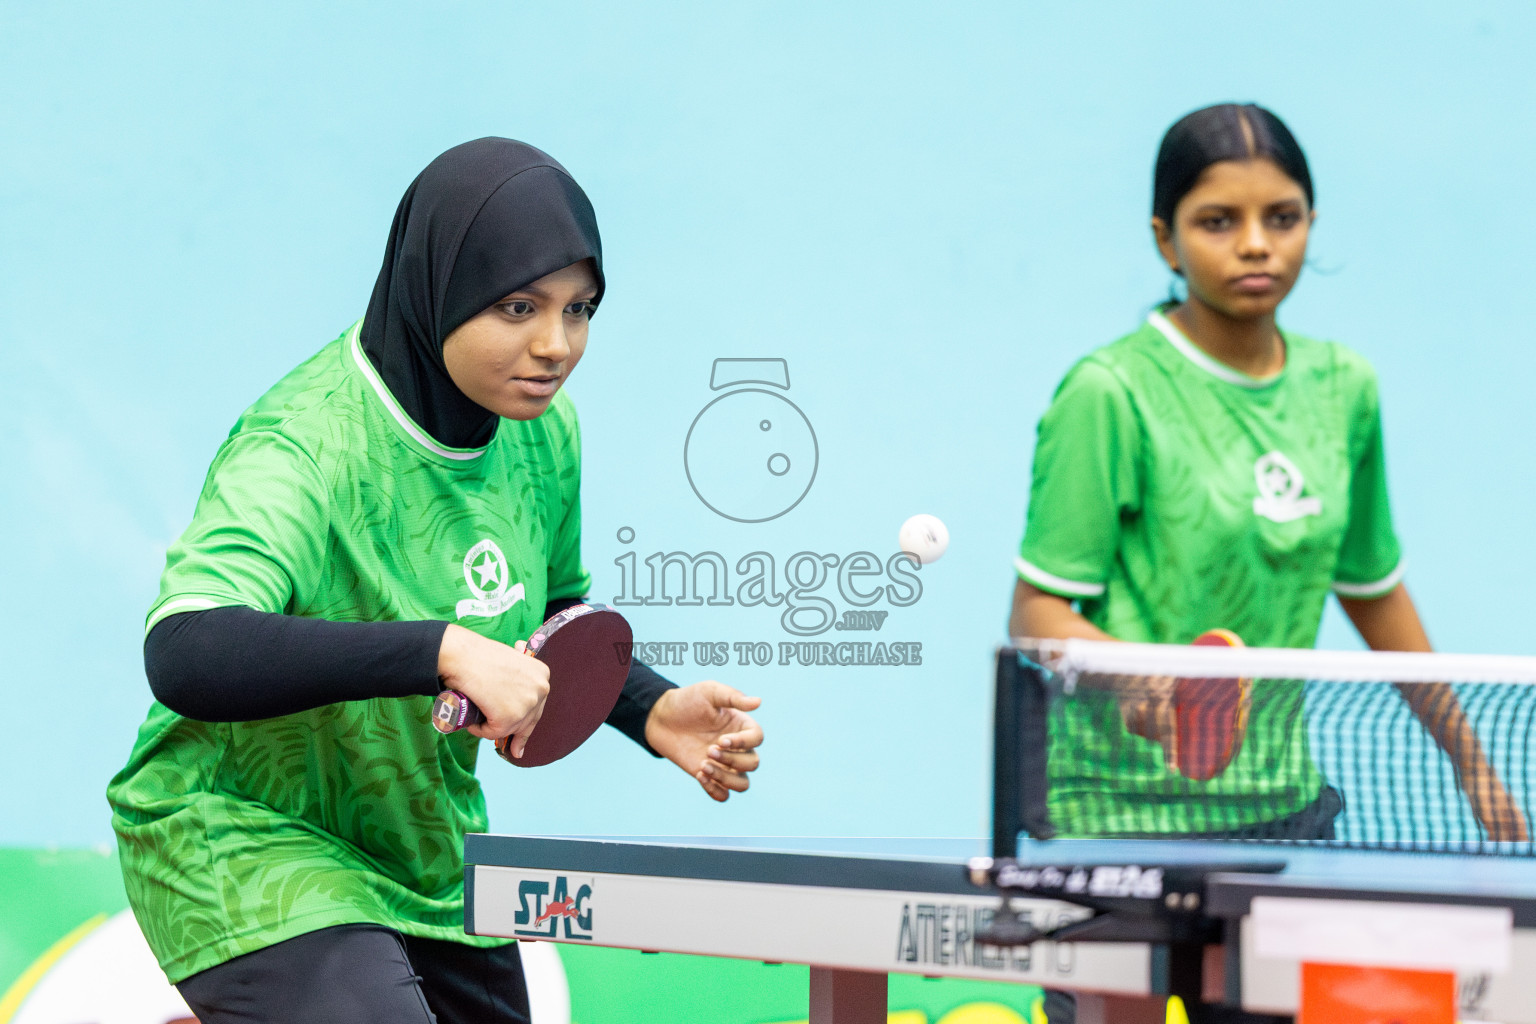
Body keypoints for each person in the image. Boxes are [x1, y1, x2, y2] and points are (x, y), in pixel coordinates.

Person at [107, 138, 764, 1024]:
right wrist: (442, 651)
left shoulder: (544, 434)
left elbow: (550, 614)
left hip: (423, 845)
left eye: (580, 310)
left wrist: (644, 708)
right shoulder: (303, 448)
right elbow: (186, 648)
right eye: (518, 306)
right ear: (437, 288)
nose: (554, 344)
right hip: (242, 838)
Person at [1007, 104, 1526, 1022]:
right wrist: (1145, 687)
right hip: (1119, 826)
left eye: (1280, 218)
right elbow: (1038, 616)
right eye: (1219, 221)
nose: (1256, 246)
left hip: (1283, 814)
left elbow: (1375, 595)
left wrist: (1472, 762)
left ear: (1310, 226)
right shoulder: (1111, 391)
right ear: (1166, 239)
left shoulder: (1343, 389)